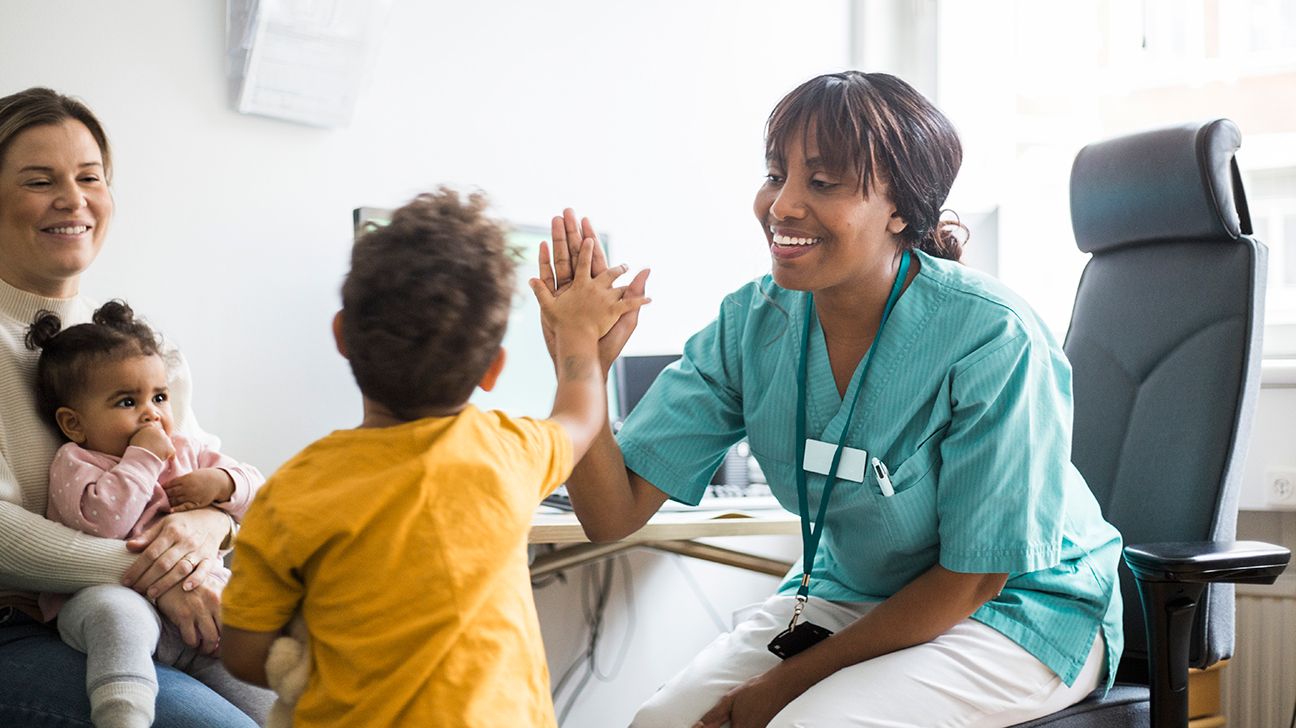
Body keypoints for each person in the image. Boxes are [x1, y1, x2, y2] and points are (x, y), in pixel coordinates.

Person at [541, 71, 1124, 727]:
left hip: (1018, 609)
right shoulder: (752, 324)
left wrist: (784, 685)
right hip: (853, 593)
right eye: (774, 175)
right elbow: (611, 515)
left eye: (822, 183)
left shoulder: (992, 337)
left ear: (901, 208)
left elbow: (974, 577)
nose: (781, 205)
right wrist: (579, 358)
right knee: (663, 723)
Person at [219, 188, 650, 726]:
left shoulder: (291, 491)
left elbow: (240, 653)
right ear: (493, 369)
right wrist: (578, 336)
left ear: (341, 337)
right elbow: (581, 416)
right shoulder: (507, 453)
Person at [0, 86, 272, 726]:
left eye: (89, 177)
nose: (73, 199)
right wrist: (165, 572)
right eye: (40, 181)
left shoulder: (142, 351)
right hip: (22, 623)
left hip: (160, 608)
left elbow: (202, 488)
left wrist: (212, 527)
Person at [26, 300, 267, 728]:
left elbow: (262, 495)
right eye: (126, 402)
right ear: (74, 424)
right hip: (106, 599)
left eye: (159, 396)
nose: (152, 413)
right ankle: (123, 715)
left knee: (259, 645)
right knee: (117, 616)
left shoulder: (187, 451)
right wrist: (141, 459)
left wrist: (226, 485)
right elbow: (103, 524)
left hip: (199, 609)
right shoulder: (76, 463)